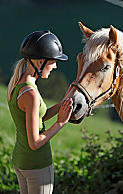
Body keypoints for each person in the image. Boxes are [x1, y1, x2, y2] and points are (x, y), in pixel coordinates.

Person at [7, 30, 73, 194]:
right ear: (40, 62)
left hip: (22, 161)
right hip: (37, 165)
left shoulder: (19, 86)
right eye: (53, 62)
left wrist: (61, 105)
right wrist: (60, 123)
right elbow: (34, 142)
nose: (55, 66)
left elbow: (38, 117)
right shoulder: (31, 95)